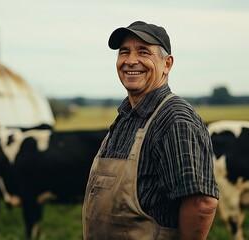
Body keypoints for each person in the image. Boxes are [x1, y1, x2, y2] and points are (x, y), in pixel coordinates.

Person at [82, 21, 219, 240]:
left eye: (143, 52)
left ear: (167, 64)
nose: (130, 61)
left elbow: (201, 203)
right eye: (124, 52)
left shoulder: (174, 119)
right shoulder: (126, 116)